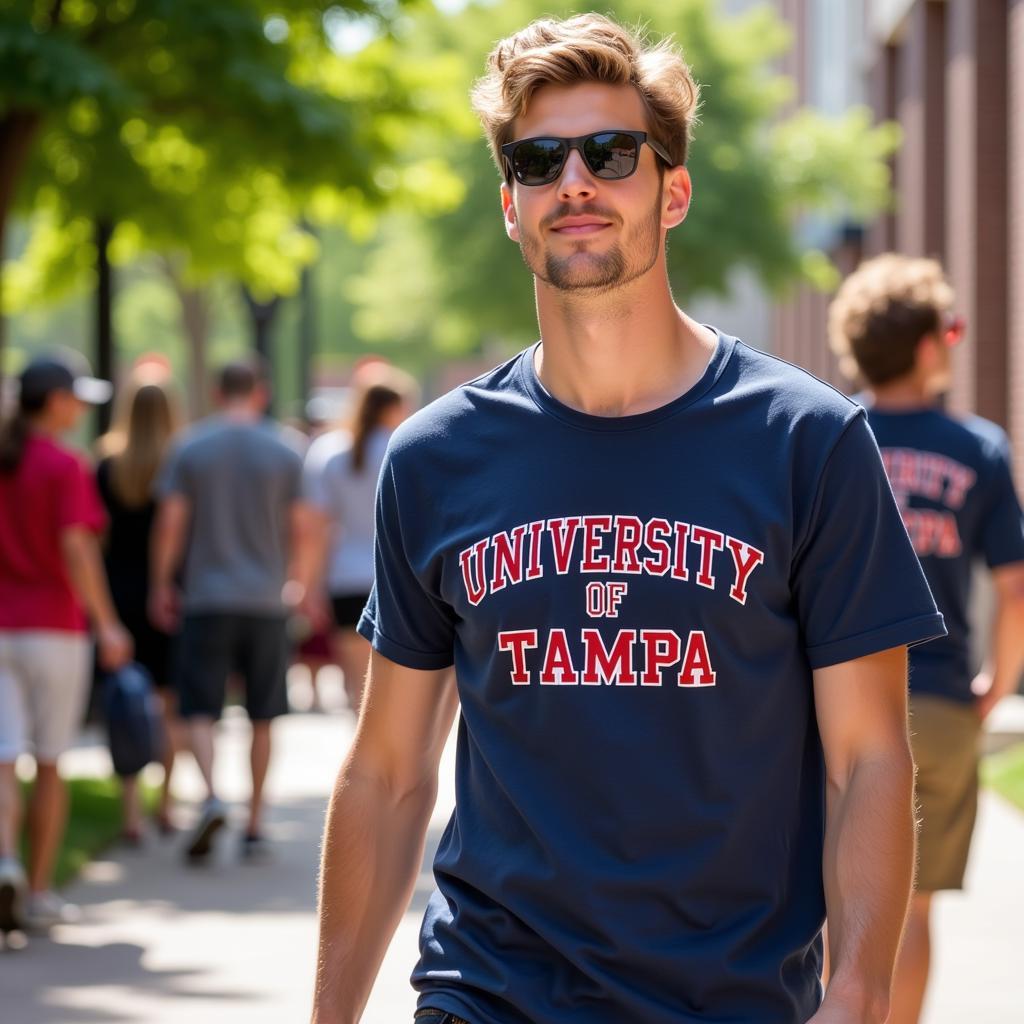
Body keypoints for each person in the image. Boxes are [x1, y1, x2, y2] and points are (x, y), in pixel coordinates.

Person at [311, 15, 946, 1024]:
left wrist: (861, 992)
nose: (575, 182)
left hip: (730, 998)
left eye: (610, 153)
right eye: (538, 160)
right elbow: (388, 771)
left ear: (672, 190)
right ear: (509, 206)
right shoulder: (434, 460)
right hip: (489, 992)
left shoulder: (807, 443)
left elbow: (869, 756)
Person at [828, 254, 1024, 1024]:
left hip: (837, 704)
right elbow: (1014, 589)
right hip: (940, 702)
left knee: (829, 902)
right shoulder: (977, 449)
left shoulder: (826, 433)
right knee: (911, 911)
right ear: (928, 344)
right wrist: (996, 688)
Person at [149, 356, 314, 864]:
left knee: (200, 706)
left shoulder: (191, 447)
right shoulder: (287, 450)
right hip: (266, 599)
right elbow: (304, 526)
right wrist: (300, 584)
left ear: (219, 393)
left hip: (207, 596)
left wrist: (161, 583)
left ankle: (212, 795)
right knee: (265, 714)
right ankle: (257, 823)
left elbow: (172, 523)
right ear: (260, 393)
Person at [0, 352, 132, 932]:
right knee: (49, 762)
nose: (80, 409)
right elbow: (78, 550)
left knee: (3, 759)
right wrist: (107, 624)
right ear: (54, 401)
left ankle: (5, 860)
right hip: (54, 630)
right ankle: (38, 890)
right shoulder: (64, 466)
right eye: (75, 398)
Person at [96, 366, 185, 842]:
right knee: (168, 706)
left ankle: (131, 813)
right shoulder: (181, 460)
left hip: (118, 592)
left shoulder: (107, 463)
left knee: (126, 703)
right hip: (169, 592)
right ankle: (166, 804)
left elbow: (98, 535)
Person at [304, 366, 417, 713]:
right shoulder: (409, 448)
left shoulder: (330, 453)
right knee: (396, 688)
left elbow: (315, 528)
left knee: (359, 688)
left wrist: (308, 585)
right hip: (397, 577)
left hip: (345, 578)